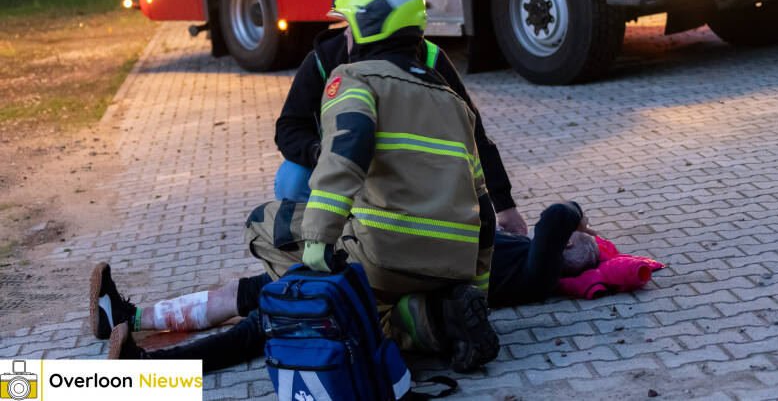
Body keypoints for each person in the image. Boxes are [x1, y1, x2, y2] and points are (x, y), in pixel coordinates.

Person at [98, 0, 499, 373]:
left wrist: (320, 242)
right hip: (452, 265)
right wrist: (477, 289)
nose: (345, 36)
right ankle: (438, 320)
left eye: (347, 25)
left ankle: (151, 369)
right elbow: (483, 206)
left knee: (265, 233)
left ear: (367, 25)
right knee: (327, 302)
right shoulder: (454, 102)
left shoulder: (354, 79)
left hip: (384, 257)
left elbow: (345, 156)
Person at [92, 202, 597, 369]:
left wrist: (578, 220)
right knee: (246, 295)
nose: (581, 239)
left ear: (569, 252)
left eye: (582, 244)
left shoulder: (537, 272)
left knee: (261, 324)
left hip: (383, 284)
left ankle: (148, 372)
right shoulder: (523, 251)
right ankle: (128, 318)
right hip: (387, 264)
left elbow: (557, 216)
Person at [274, 0, 527, 236]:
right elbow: (289, 128)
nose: (345, 33)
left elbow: (473, 133)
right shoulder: (323, 60)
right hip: (344, 169)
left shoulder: (429, 58)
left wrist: (504, 205)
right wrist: (323, 155)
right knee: (292, 178)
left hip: (409, 172)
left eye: (350, 25)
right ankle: (318, 238)